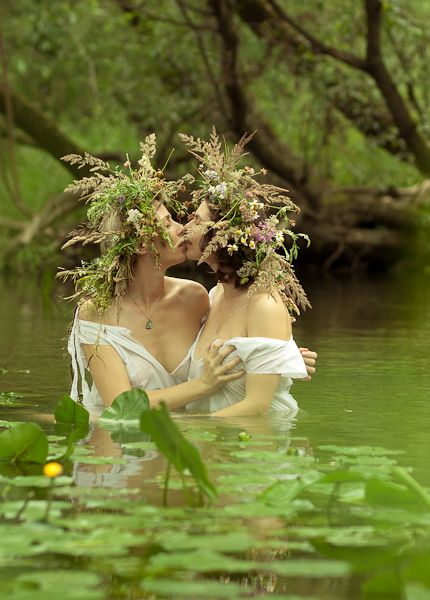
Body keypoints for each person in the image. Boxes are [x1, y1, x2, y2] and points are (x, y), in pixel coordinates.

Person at [60, 134, 315, 413]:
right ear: (143, 244)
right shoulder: (97, 312)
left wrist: (280, 356)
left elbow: (248, 330)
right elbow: (121, 407)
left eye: (192, 219)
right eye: (168, 222)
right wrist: (204, 385)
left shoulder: (194, 298)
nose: (182, 227)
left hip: (198, 445)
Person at [178, 130, 311, 417]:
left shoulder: (264, 305)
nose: (185, 228)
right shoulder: (215, 296)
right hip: (210, 448)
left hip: (255, 450)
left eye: (197, 221)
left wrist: (183, 428)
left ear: (222, 235)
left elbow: (256, 408)